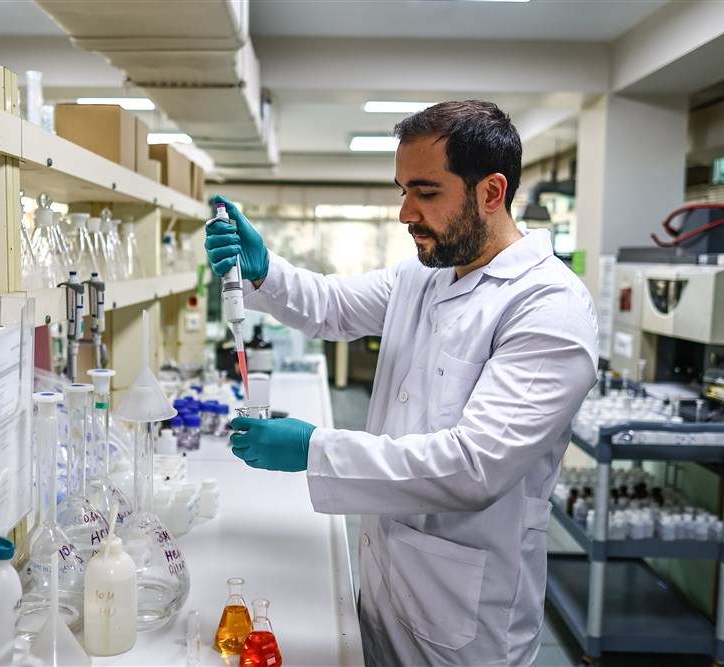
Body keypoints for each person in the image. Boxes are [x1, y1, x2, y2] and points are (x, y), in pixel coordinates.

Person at [205, 100, 598, 666]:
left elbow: (474, 466)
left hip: (462, 620)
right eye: (403, 191)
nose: (405, 213)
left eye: (426, 192)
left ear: (491, 192)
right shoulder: (426, 275)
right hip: (387, 584)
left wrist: (314, 449)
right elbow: (333, 306)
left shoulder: (548, 308)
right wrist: (265, 270)